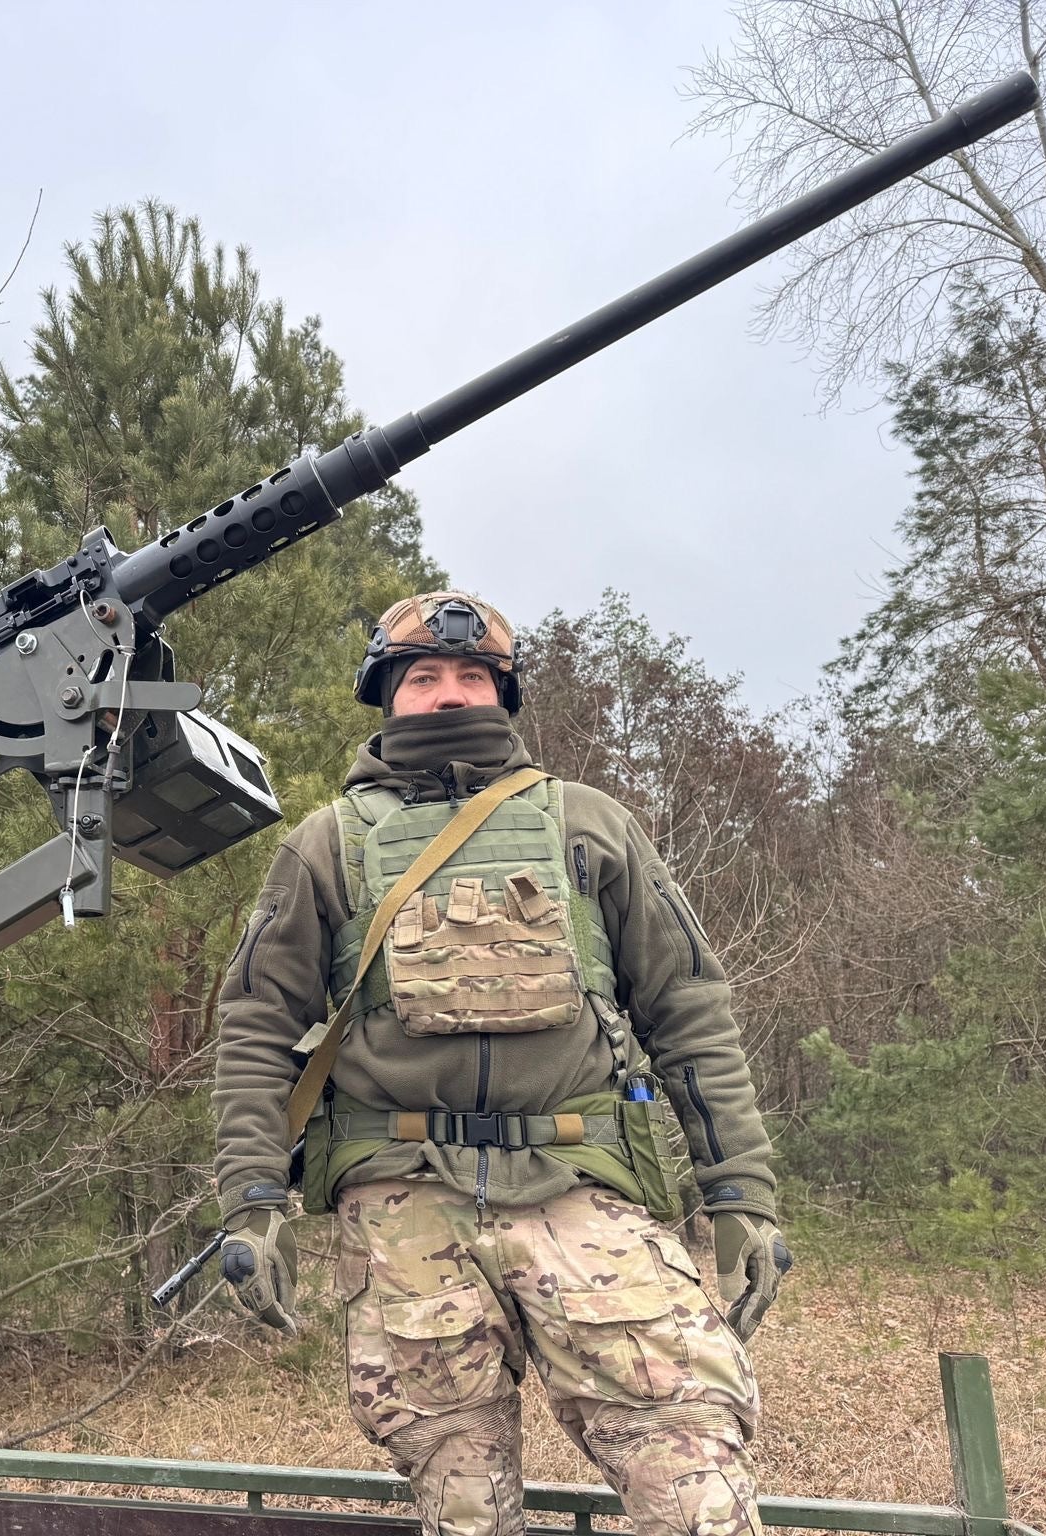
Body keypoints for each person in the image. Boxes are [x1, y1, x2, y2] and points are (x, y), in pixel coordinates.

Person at [212, 590, 791, 1536]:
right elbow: (254, 1027)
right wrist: (251, 1202)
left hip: (581, 1184)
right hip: (403, 1202)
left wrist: (742, 1198)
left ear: (503, 694)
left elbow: (689, 1009)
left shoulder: (589, 826)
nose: (449, 696)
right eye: (425, 678)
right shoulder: (326, 845)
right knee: (465, 1508)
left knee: (697, 1483)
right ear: (386, 697)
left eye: (472, 676)